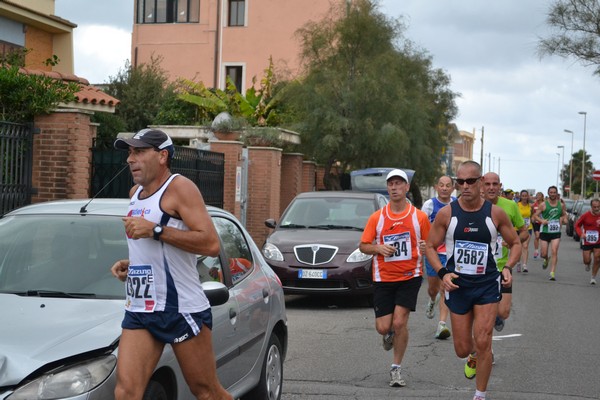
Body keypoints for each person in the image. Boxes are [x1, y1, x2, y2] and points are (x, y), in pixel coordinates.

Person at [110, 128, 232, 400]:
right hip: (141, 307)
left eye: (139, 152)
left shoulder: (180, 188)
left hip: (181, 308)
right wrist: (134, 264)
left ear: (163, 156)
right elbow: (155, 246)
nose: (131, 159)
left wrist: (155, 230)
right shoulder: (134, 193)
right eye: (130, 152)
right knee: (126, 393)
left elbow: (210, 243)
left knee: (206, 392)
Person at [425, 161, 520, 400]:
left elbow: (516, 243)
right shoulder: (447, 214)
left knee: (484, 339)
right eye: (460, 181)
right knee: (462, 349)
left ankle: (480, 394)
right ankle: (473, 355)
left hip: (487, 284)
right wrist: (442, 273)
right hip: (458, 286)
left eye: (470, 181)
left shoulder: (495, 213)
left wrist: (508, 267)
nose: (464, 186)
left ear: (479, 183)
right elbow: (429, 246)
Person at [359, 169, 431, 388]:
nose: (395, 187)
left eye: (399, 183)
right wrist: (378, 248)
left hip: (410, 275)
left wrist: (426, 247)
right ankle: (388, 333)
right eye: (391, 184)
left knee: (400, 322)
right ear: (387, 188)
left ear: (407, 187)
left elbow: (431, 244)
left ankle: (396, 369)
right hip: (383, 277)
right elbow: (363, 246)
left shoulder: (419, 217)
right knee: (383, 327)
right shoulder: (377, 217)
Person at [481, 173, 527, 333]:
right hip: (480, 269)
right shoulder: (474, 205)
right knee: (482, 315)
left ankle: (495, 316)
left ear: (500, 186)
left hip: (503, 266)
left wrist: (514, 241)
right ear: (482, 186)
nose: (492, 187)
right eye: (488, 184)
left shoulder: (510, 206)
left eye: (495, 184)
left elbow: (524, 232)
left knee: (503, 312)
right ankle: (485, 350)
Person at [421, 175, 455, 339]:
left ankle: (441, 324)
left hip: (449, 253)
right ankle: (432, 300)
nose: (444, 188)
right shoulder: (429, 205)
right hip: (433, 252)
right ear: (436, 187)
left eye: (448, 185)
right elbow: (420, 225)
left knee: (445, 287)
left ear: (452, 188)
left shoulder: (457, 204)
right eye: (441, 185)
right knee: (433, 288)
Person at [532, 186, 567, 281]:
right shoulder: (543, 205)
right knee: (543, 253)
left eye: (554, 192)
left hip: (556, 231)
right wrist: (542, 220)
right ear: (548, 193)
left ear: (556, 193)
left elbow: (564, 214)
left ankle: (552, 273)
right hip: (545, 231)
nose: (552, 194)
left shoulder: (561, 205)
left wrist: (565, 219)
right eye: (551, 192)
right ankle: (546, 259)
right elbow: (535, 216)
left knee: (554, 251)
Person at [574, 198, 600, 284]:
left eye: (598, 207)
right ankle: (588, 263)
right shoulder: (585, 215)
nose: (596, 208)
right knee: (587, 260)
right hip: (587, 240)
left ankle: (593, 277)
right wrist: (581, 234)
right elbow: (577, 225)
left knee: (597, 258)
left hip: (598, 241)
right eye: (594, 207)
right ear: (591, 207)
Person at [516, 190, 533, 273]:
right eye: (523, 195)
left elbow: (532, 216)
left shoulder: (530, 206)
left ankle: (524, 265)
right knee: (519, 247)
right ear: (520, 196)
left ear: (528, 196)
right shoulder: (516, 205)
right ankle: (518, 262)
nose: (524, 197)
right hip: (517, 229)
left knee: (525, 246)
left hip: (528, 228)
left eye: (526, 195)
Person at [531, 192, 545, 259]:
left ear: (542, 197)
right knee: (537, 236)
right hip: (536, 222)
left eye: (539, 195)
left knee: (542, 237)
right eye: (537, 195)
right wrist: (532, 217)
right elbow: (532, 213)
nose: (538, 197)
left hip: (543, 223)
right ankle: (536, 251)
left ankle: (543, 251)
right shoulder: (534, 204)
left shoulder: (545, 204)